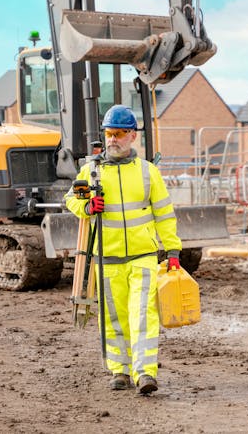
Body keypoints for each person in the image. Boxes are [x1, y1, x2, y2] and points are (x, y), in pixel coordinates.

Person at [64, 104, 182, 395]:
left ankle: (145, 373)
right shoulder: (91, 171)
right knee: (114, 318)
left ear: (132, 136)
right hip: (108, 258)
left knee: (143, 315)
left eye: (119, 133)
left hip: (142, 256)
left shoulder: (147, 172)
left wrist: (174, 250)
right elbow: (72, 200)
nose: (113, 139)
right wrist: (87, 206)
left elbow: (164, 214)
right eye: (109, 133)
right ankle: (120, 371)